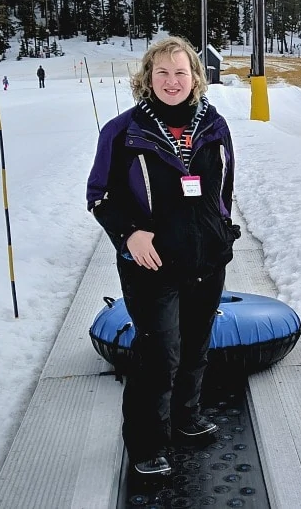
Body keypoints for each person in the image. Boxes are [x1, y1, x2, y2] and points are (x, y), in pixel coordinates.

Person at [86, 36, 239, 476]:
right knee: (159, 355)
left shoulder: (215, 125)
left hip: (206, 259)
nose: (172, 81)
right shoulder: (123, 131)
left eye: (181, 72)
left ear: (196, 77)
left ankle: (186, 418)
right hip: (152, 264)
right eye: (163, 73)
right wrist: (129, 234)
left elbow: (222, 191)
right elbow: (100, 196)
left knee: (195, 346)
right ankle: (147, 444)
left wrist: (222, 233)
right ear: (148, 78)